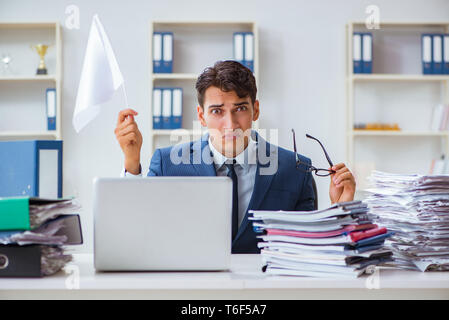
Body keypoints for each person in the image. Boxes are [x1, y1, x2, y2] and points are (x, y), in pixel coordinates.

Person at [114, 60, 356, 253]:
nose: (230, 124)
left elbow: (308, 249)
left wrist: (340, 207)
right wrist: (132, 162)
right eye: (217, 111)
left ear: (256, 110)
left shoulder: (295, 169)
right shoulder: (168, 164)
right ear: (201, 116)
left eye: (240, 108)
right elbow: (138, 231)